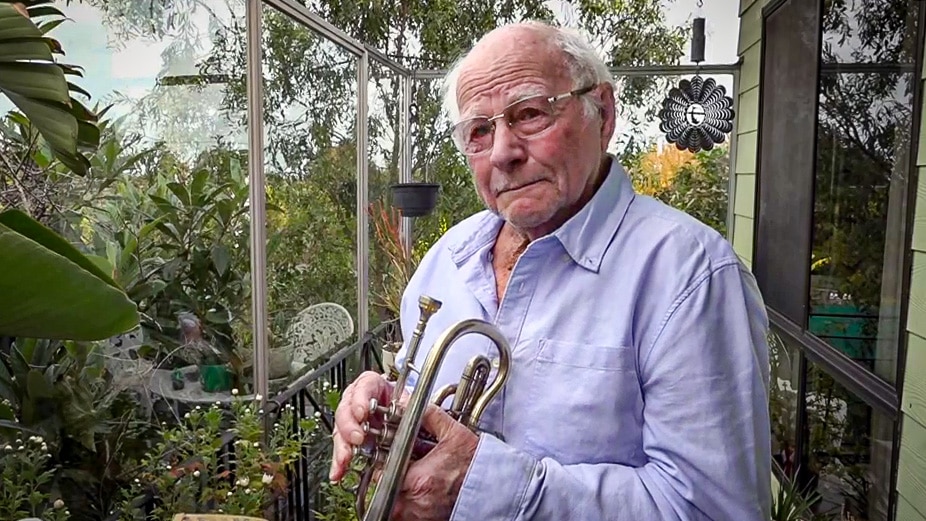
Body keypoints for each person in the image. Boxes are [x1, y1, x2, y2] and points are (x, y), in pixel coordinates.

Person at [329, 20, 772, 521]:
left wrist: (485, 484)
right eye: (478, 130)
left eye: (530, 114)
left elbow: (715, 509)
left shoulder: (691, 275)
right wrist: (390, 410)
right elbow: (429, 421)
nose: (502, 152)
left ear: (602, 113)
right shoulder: (445, 260)